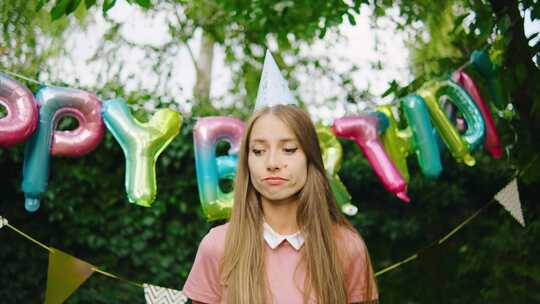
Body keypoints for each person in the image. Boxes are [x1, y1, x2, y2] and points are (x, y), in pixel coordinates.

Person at [183, 51, 378, 304]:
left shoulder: (348, 247)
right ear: (247, 162)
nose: (273, 163)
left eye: (289, 149)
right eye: (259, 151)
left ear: (310, 159)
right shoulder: (217, 246)